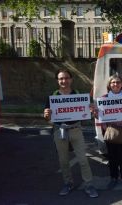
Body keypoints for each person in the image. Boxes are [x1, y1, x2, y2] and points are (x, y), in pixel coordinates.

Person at [43, 69, 98, 198]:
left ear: (71, 79)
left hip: (76, 130)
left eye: (66, 78)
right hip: (59, 130)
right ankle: (68, 183)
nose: (64, 81)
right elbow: (47, 118)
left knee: (83, 160)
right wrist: (46, 115)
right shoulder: (53, 96)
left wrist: (92, 110)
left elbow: (88, 114)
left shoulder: (78, 94)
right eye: (61, 78)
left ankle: (89, 185)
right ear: (57, 81)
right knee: (63, 161)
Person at [94, 75, 122, 190]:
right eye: (113, 82)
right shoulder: (104, 98)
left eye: (118, 82)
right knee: (112, 157)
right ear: (109, 85)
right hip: (110, 131)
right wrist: (96, 113)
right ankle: (113, 178)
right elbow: (99, 116)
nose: (115, 84)